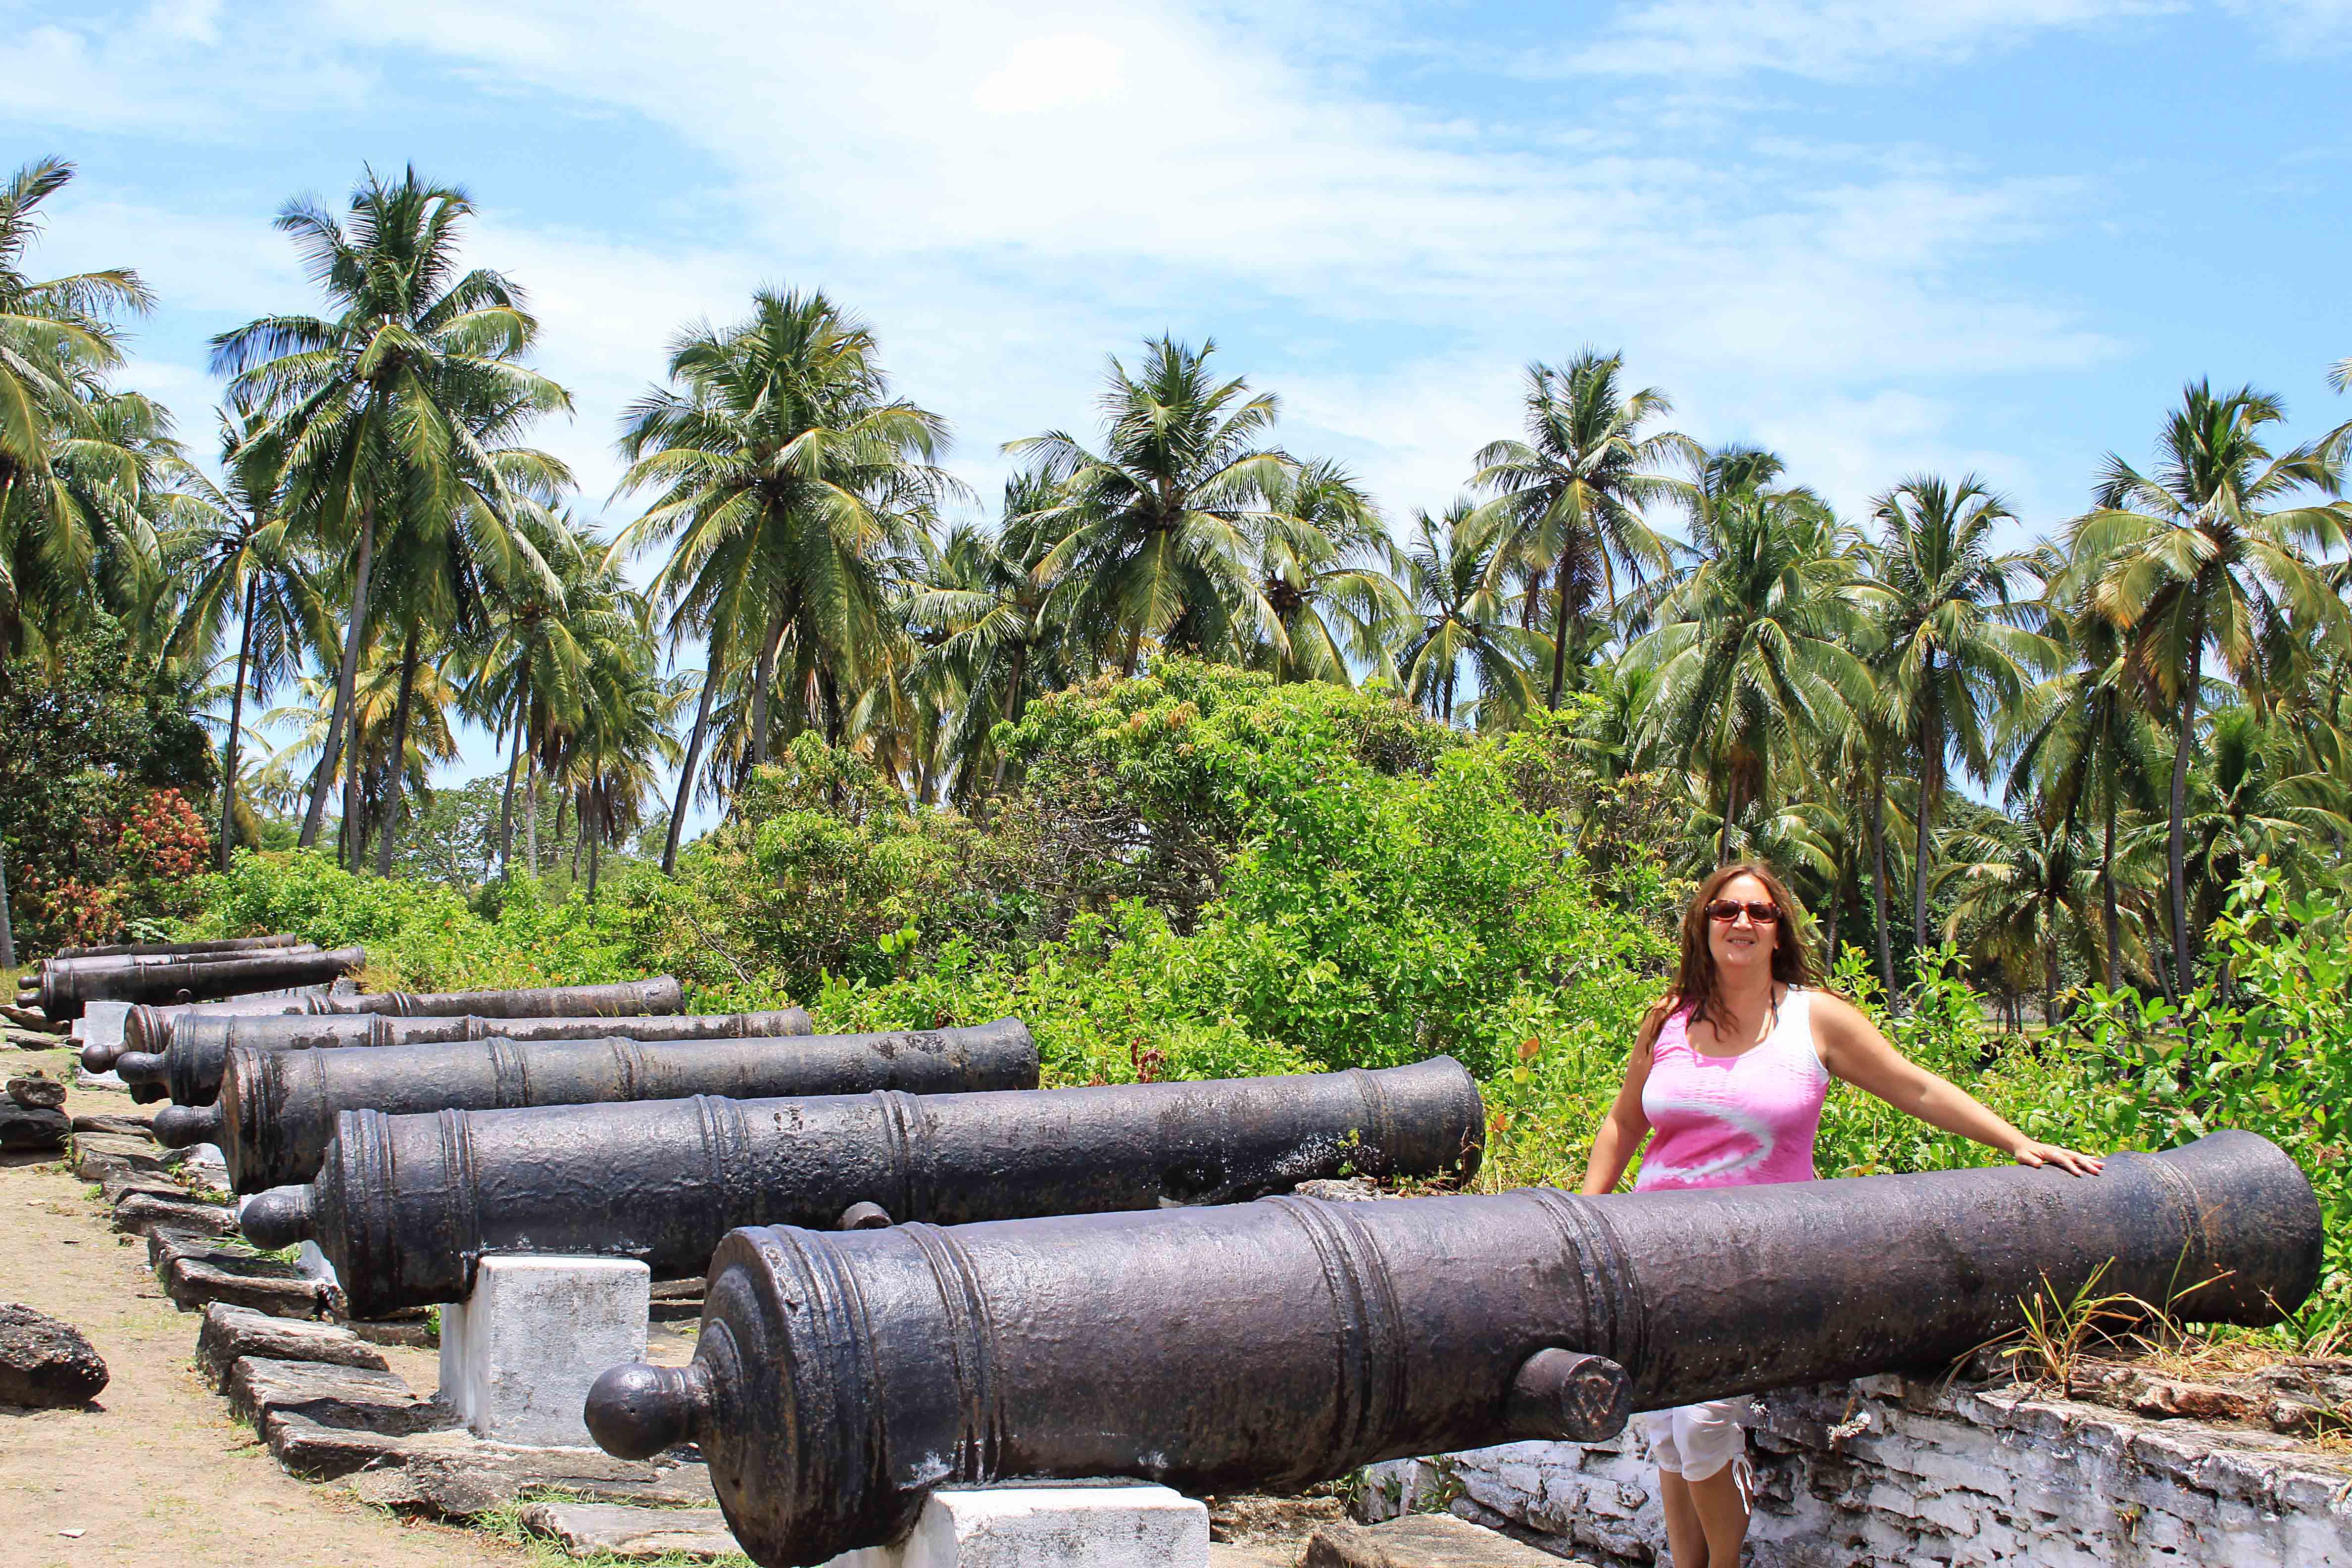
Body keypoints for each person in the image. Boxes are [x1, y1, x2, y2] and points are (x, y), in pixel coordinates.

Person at [1580, 861, 2102, 1568]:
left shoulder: (1814, 1018)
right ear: (1703, 925)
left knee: (1702, 1425)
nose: (1741, 923)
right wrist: (1586, 1224)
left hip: (1755, 1260)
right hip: (1655, 1252)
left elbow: (1914, 1087)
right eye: (1725, 911)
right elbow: (1623, 1123)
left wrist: (2014, 1141)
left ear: (1779, 930)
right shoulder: (1670, 1017)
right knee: (1668, 1432)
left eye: (1759, 912)